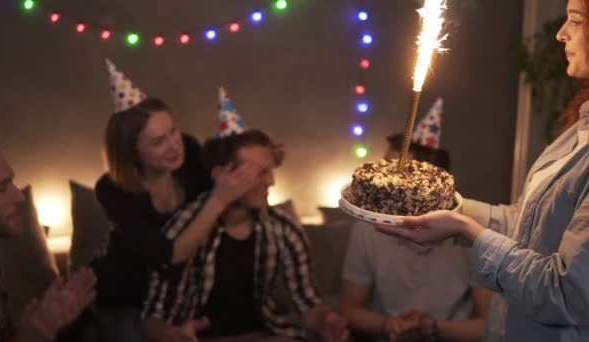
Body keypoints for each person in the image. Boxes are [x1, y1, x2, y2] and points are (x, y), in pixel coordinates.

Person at [375, 1, 589, 340]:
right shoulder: (578, 132)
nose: (561, 34)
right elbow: (524, 227)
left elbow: (565, 292)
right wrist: (447, 207)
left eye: (575, 21)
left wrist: (468, 231)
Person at [140, 88, 349, 342]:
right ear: (221, 175)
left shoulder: (282, 227)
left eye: (270, 170)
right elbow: (152, 321)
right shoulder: (184, 229)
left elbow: (308, 302)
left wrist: (326, 321)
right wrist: (175, 336)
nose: (271, 181)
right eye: (259, 173)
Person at [92, 62, 261, 341]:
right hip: (127, 297)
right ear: (132, 153)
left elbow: (230, 182)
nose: (174, 144)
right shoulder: (111, 189)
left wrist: (263, 157)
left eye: (173, 131)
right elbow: (167, 258)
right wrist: (219, 199)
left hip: (180, 295)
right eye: (159, 142)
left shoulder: (190, 153)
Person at [341, 99, 490, 341]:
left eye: (393, 181)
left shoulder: (473, 236)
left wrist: (430, 327)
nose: (381, 184)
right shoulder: (367, 230)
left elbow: (490, 326)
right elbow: (350, 309)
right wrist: (390, 325)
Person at [0, 143, 96, 341]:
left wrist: (38, 323)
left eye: (12, 183)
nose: (19, 195)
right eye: (2, 188)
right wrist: (38, 332)